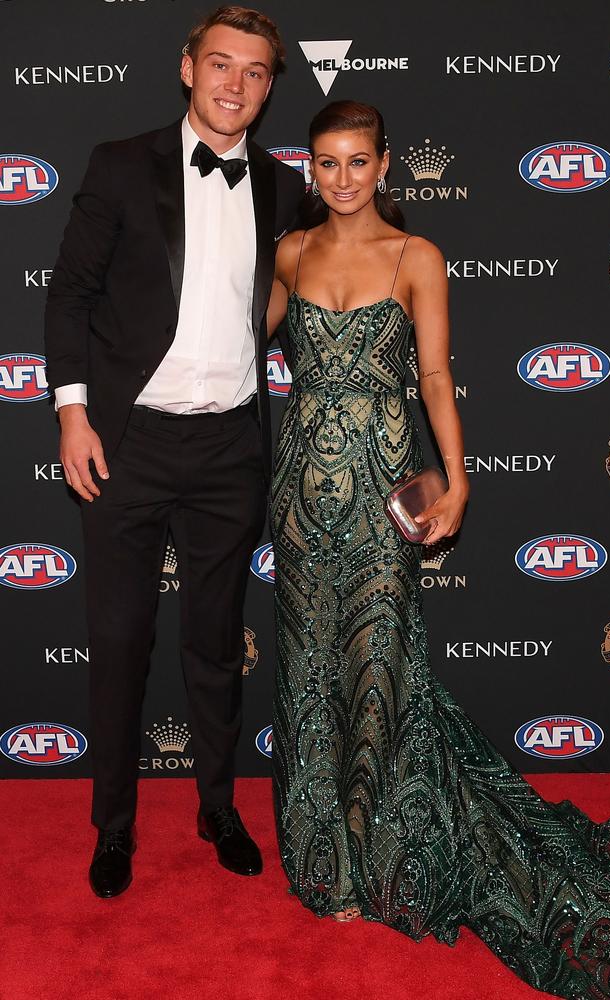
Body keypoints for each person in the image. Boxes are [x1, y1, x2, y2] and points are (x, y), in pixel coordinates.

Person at [267, 100, 610, 998]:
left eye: (359, 161)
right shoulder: (287, 254)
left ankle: (390, 853)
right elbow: (237, 349)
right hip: (297, 494)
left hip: (383, 487)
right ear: (310, 170)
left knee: (378, 664)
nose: (344, 178)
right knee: (306, 667)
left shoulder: (417, 258)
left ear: (386, 165)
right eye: (327, 163)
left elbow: (433, 375)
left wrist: (459, 475)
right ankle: (326, 858)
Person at [44, 6, 304, 898]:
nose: (236, 84)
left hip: (231, 446)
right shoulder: (122, 164)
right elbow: (69, 296)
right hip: (129, 441)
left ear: (272, 87)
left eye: (256, 71)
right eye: (221, 64)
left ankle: (218, 806)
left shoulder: (280, 185)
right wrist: (73, 415)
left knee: (214, 646)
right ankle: (113, 827)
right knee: (119, 640)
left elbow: (312, 299)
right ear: (187, 68)